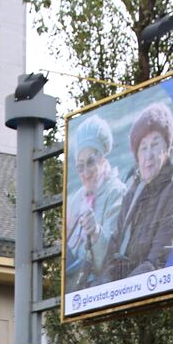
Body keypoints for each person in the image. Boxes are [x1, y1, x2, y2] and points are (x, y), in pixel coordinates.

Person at [105, 101, 173, 281]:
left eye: (155, 144)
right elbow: (113, 247)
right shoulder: (133, 190)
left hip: (146, 286)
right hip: (120, 289)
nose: (148, 155)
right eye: (143, 147)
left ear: (166, 148)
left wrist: (122, 289)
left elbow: (159, 258)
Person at [64, 114, 126, 290]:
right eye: (79, 166)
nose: (85, 172)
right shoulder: (77, 198)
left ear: (102, 160)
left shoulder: (116, 191)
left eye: (90, 162)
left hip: (102, 287)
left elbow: (112, 255)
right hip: (76, 286)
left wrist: (95, 232)